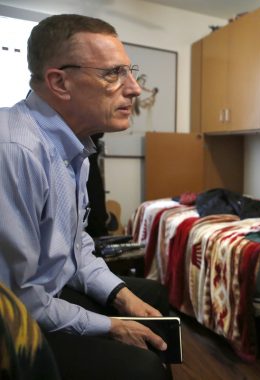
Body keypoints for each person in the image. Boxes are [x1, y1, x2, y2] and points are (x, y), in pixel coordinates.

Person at [0, 14, 172, 380]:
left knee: (151, 299)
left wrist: (120, 296)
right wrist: (110, 326)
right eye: (113, 74)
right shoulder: (16, 151)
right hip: (14, 320)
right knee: (144, 370)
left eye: (130, 71)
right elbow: (20, 298)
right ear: (60, 82)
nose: (135, 89)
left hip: (49, 292)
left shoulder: (76, 146)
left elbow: (76, 244)